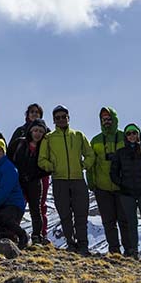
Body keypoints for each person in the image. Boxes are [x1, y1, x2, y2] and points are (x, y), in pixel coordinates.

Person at [38, 105, 95, 255]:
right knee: (65, 215)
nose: (61, 119)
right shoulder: (49, 138)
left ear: (69, 118)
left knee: (81, 215)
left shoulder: (78, 136)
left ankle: (83, 246)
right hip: (59, 180)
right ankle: (71, 244)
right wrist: (52, 167)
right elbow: (42, 159)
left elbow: (90, 154)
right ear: (54, 120)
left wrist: (84, 165)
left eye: (64, 117)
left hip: (78, 180)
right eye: (58, 118)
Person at [110, 123, 141, 260]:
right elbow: (113, 173)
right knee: (132, 223)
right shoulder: (120, 153)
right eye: (129, 134)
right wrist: (122, 184)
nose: (132, 136)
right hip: (127, 194)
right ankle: (134, 250)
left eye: (134, 133)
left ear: (139, 135)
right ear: (125, 136)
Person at [88, 107, 130, 255]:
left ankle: (129, 250)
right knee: (108, 222)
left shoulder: (125, 137)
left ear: (114, 119)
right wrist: (91, 182)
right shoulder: (96, 140)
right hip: (102, 188)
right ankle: (114, 251)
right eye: (103, 119)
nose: (106, 121)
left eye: (108, 118)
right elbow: (91, 164)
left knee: (124, 221)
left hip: (122, 187)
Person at [10, 103, 50, 239]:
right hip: (19, 177)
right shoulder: (20, 137)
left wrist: (38, 174)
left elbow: (50, 160)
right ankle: (13, 232)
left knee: (38, 206)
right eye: (32, 112)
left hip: (37, 178)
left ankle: (39, 235)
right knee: (17, 204)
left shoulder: (47, 137)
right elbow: (10, 154)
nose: (34, 114)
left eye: (37, 112)